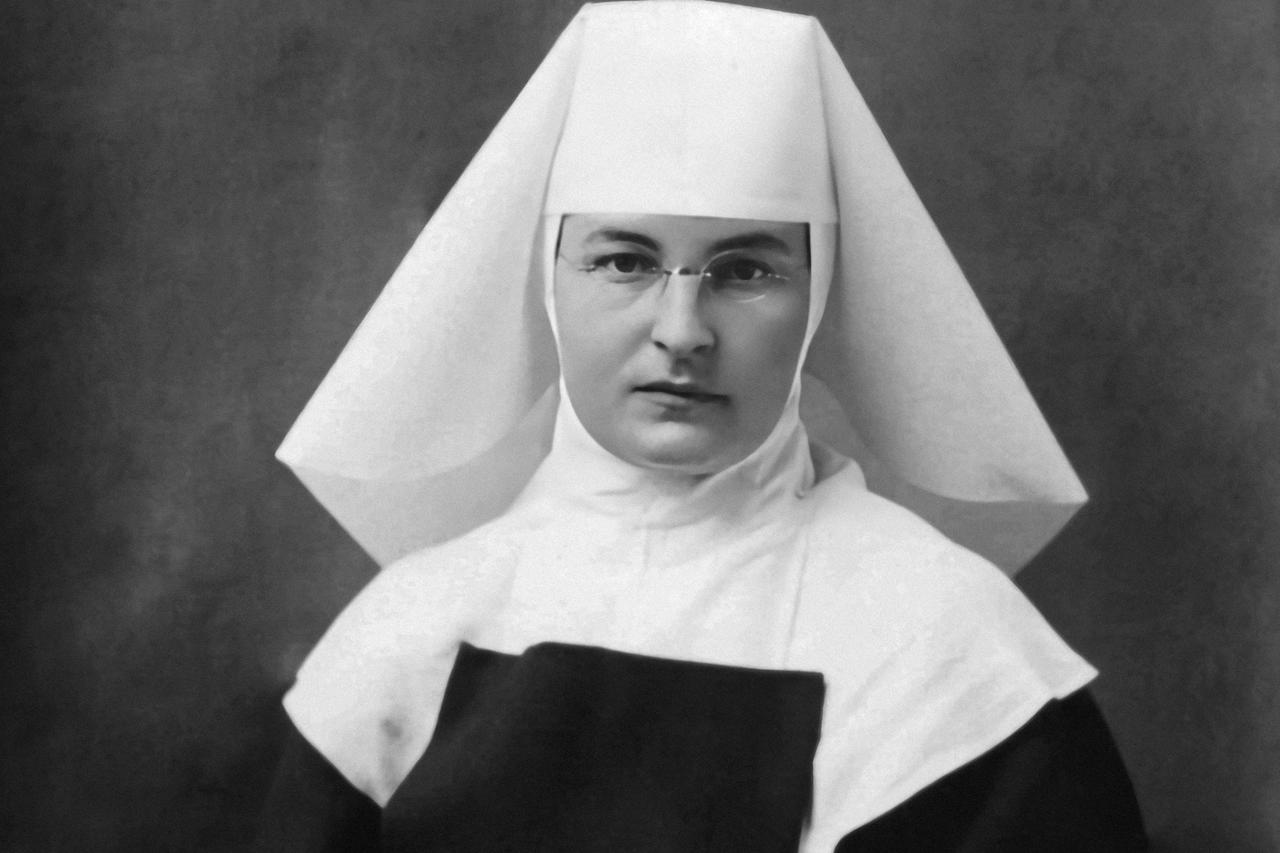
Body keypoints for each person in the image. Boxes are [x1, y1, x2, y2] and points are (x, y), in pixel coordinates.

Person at [258, 2, 1148, 850]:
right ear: (548, 283)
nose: (682, 331)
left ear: (818, 297)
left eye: (746, 271)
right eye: (624, 261)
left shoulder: (952, 649)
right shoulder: (408, 632)